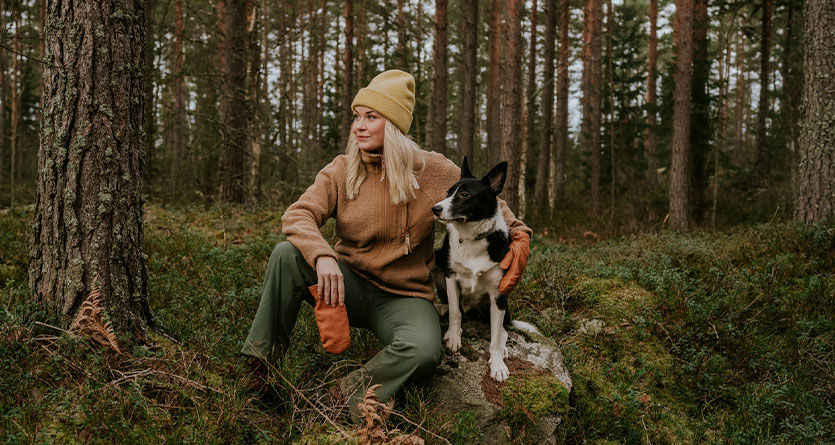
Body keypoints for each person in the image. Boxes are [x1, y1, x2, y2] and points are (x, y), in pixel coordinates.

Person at [241, 69, 531, 420]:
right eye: (357, 117)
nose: (358, 126)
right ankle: (259, 374)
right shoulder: (341, 169)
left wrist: (519, 234)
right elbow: (297, 215)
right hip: (346, 286)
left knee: (425, 350)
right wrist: (322, 257)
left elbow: (486, 200)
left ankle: (338, 399)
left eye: (371, 117)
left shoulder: (433, 169)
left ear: (393, 125)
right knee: (286, 255)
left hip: (404, 298)